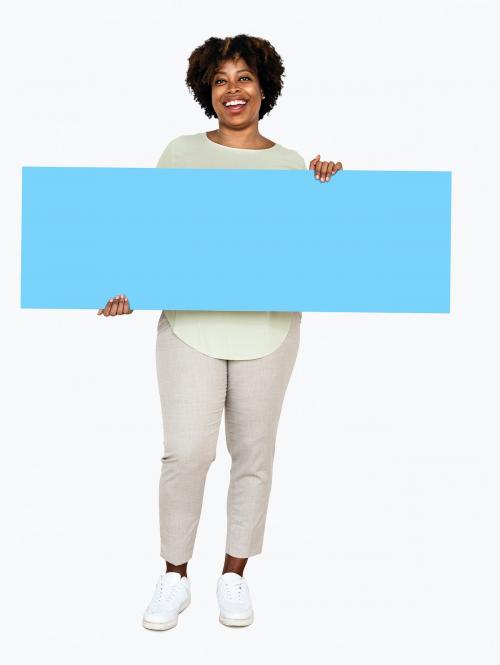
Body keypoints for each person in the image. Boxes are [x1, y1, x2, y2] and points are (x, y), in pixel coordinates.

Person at [98, 34, 342, 630]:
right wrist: (124, 286)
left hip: (267, 329)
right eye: (221, 80)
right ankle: (174, 576)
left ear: (264, 89)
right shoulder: (180, 151)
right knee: (187, 453)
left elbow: (312, 246)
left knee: (254, 453)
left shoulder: (291, 164)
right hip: (190, 325)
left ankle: (233, 574)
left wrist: (330, 190)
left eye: (244, 78)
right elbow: (148, 229)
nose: (233, 90)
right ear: (208, 92)